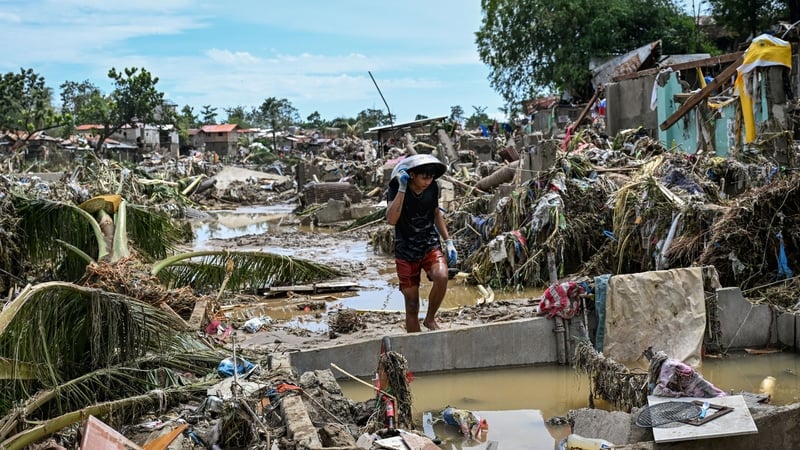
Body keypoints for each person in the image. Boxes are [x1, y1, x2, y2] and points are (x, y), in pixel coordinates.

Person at [385, 154, 456, 332]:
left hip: (428, 242)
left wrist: (448, 241)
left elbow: (435, 213)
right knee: (411, 304)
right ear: (412, 175)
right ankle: (415, 343)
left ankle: (430, 318)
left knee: (442, 276)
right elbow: (392, 220)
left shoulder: (433, 187)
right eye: (424, 177)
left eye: (431, 177)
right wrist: (402, 189)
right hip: (406, 248)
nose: (428, 181)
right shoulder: (396, 188)